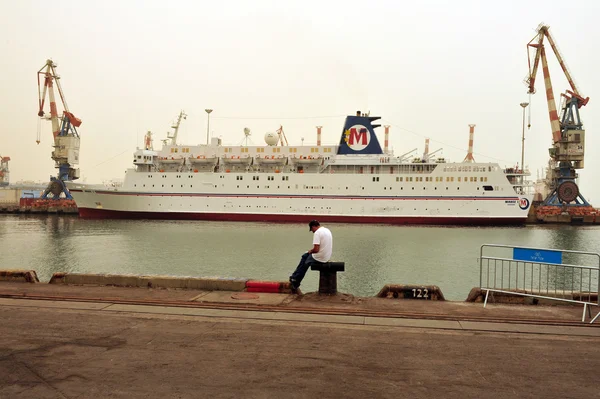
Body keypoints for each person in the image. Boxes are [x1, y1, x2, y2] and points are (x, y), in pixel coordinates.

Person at [289, 220, 333, 292]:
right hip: (326, 255)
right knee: (304, 256)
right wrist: (310, 252)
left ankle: (295, 282)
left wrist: (310, 251)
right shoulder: (327, 230)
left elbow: (316, 250)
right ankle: (294, 276)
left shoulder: (317, 233)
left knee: (305, 263)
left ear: (313, 226)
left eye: (311, 229)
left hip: (320, 257)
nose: (312, 231)